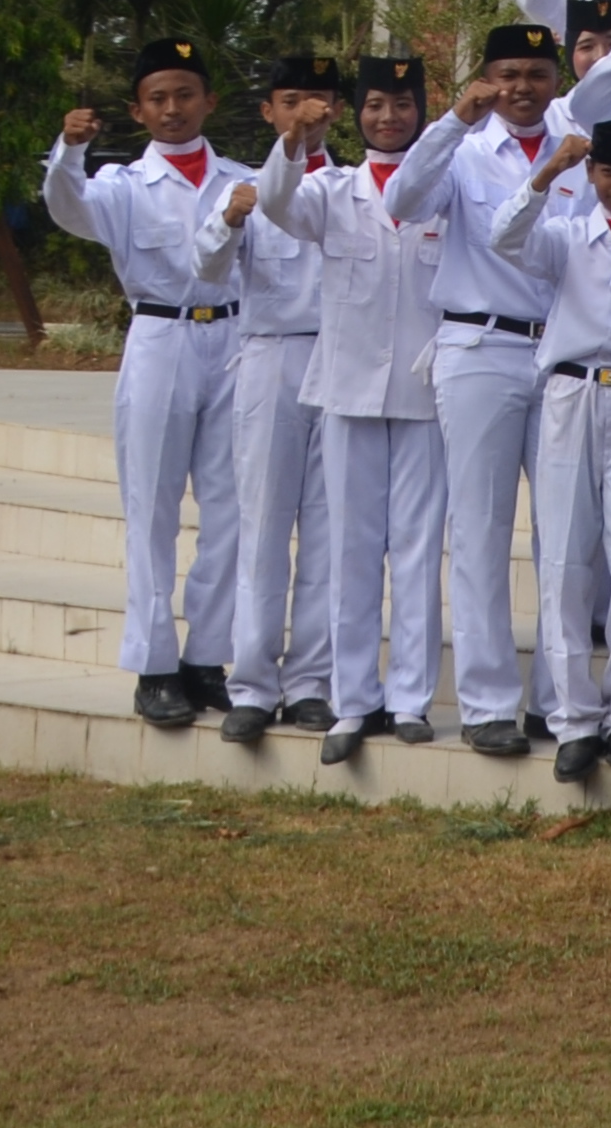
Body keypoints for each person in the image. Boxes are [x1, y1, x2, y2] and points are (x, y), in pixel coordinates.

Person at [45, 36, 251, 730]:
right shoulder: (121, 187)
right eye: (158, 98)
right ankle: (156, 664)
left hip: (232, 339)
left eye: (185, 94)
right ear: (138, 111)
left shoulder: (242, 179)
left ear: (209, 101)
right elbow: (67, 207)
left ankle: (207, 657)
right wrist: (69, 150)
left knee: (230, 509)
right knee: (154, 507)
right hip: (161, 337)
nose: (172, 109)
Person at [253, 51, 446, 765]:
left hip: (425, 393)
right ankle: (352, 700)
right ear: (356, 113)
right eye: (373, 106)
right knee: (351, 551)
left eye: (401, 105)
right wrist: (293, 141)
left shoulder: (443, 186)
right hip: (347, 391)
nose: (388, 117)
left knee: (419, 550)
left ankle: (411, 700)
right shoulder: (329, 187)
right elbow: (276, 205)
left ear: (421, 111)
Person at [386, 28, 573, 756]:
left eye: (533, 73)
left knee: (563, 533)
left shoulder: (580, 147)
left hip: (559, 349)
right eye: (505, 74)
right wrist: (454, 119)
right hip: (480, 346)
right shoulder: (460, 149)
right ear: (485, 79)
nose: (520, 87)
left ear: (555, 77)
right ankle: (488, 702)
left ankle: (558, 703)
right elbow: (403, 200)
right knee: (480, 530)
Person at [495, 114, 611, 781]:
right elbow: (505, 236)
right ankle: (572, 717)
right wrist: (547, 173)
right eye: (608, 170)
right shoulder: (568, 236)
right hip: (570, 396)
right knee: (567, 559)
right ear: (592, 172)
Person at [196, 53, 342, 746]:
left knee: (329, 528)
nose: (306, 113)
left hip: (341, 359)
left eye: (318, 100)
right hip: (271, 354)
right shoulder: (240, 187)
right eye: (291, 100)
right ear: (268, 111)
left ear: (337, 110)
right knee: (261, 524)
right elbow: (206, 266)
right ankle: (251, 682)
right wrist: (227, 220)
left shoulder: (359, 184)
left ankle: (311, 680)